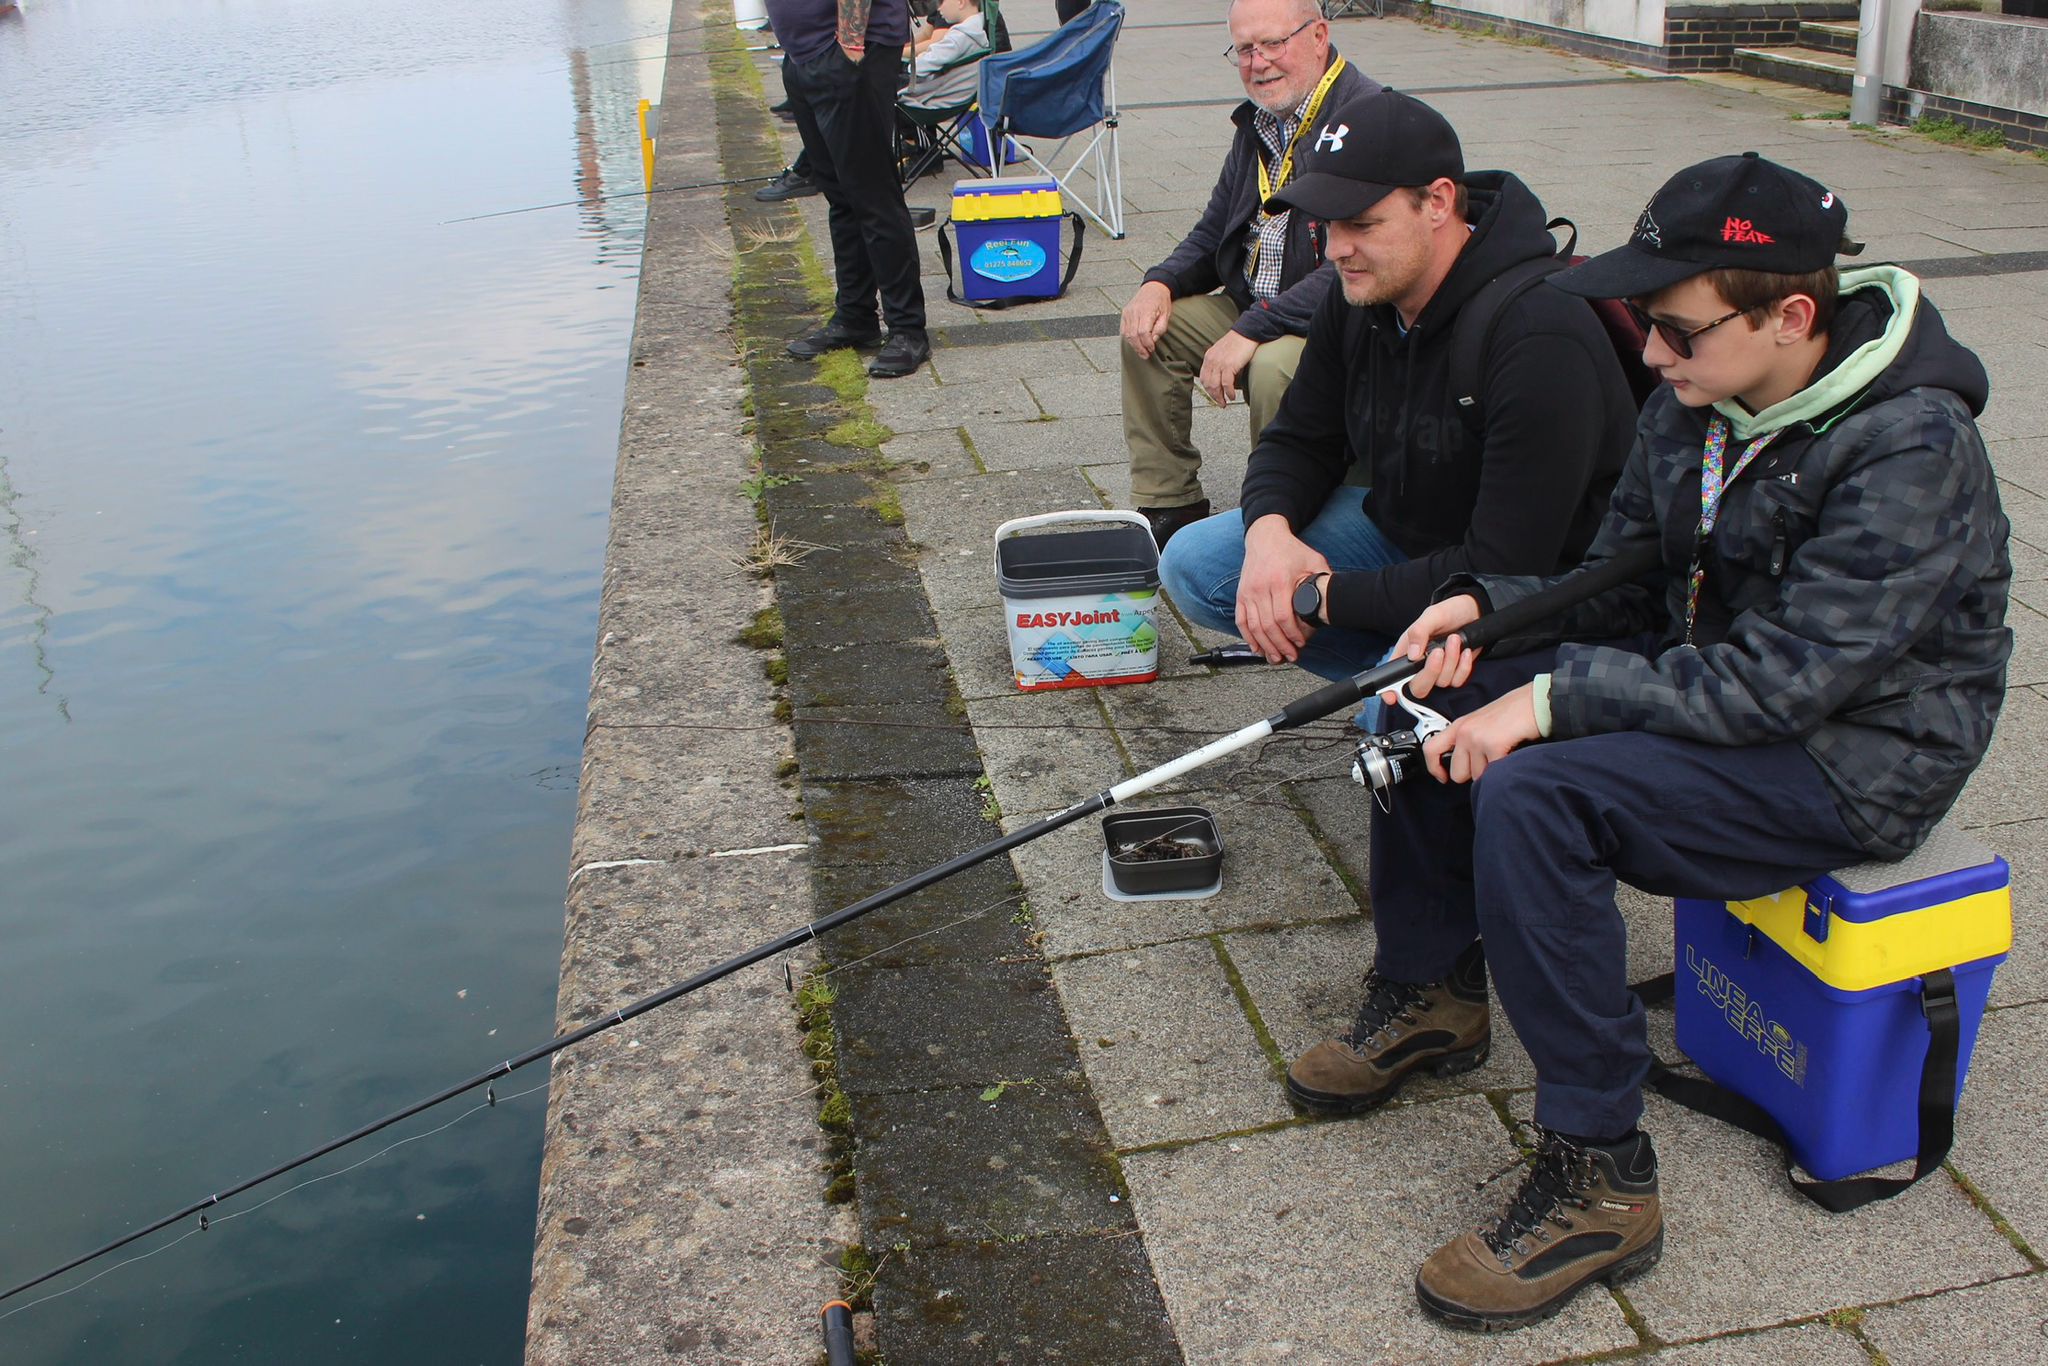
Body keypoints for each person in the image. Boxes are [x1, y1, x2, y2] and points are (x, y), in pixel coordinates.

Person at [1289, 152, 2011, 1331]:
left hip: (1858, 756)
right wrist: (1492, 607)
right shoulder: (1700, 400)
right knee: (1426, 700)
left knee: (1538, 794)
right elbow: (1617, 583)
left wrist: (1550, 700)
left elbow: (1784, 684)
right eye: (1645, 330)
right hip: (1715, 692)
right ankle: (1429, 988)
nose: (1651, 360)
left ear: (1788, 316)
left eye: (1674, 333)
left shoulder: (1909, 447)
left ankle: (1599, 1172)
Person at [1156, 88, 1636, 686]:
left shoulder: (1538, 333)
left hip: (1523, 588)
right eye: (1329, 224)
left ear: (1437, 202)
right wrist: (1270, 535)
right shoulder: (1359, 292)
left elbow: (1504, 564)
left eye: (1361, 224)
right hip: (1403, 532)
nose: (1337, 250)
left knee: (1389, 702)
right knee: (1195, 564)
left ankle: (1414, 689)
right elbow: (1300, 439)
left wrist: (1317, 597)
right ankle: (1400, 680)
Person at [1120, 0, 1380, 546]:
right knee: (1149, 332)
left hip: (1339, 321)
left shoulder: (1364, 119)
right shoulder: (1261, 123)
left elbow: (1351, 265)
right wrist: (1158, 282)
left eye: (1273, 43)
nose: (1258, 62)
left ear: (1318, 36)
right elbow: (1215, 227)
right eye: (1244, 48)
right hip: (1257, 306)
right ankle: (1172, 506)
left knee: (1273, 366)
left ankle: (1285, 516)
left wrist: (1251, 330)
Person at [766, 0, 931, 378]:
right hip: (805, 53)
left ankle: (907, 330)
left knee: (873, 196)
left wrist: (850, 46)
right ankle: (855, 316)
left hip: (848, 50)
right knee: (841, 196)